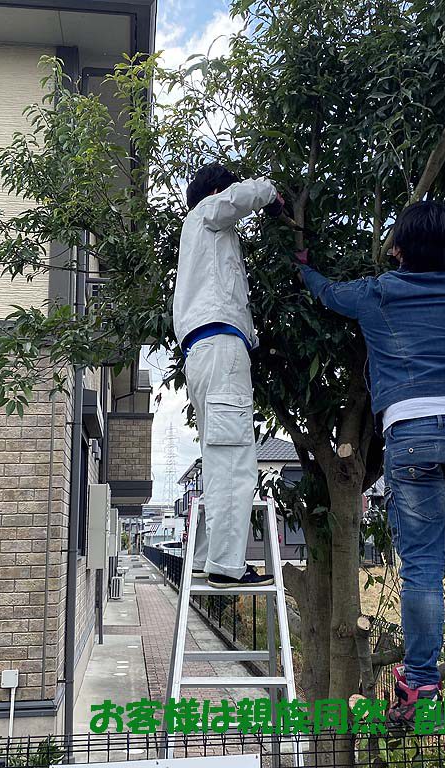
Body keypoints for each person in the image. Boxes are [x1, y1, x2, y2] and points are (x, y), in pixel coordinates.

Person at [296, 201, 445, 724]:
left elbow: (325, 293)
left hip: (413, 433)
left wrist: (302, 263)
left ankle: (419, 686)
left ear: (400, 249)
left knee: (422, 571)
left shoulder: (379, 292)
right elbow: (438, 261)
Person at [173, 163, 284, 589]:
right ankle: (225, 566)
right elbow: (240, 197)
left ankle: (206, 558)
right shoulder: (206, 214)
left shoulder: (200, 240)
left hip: (205, 352)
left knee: (218, 454)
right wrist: (270, 193)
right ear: (218, 190)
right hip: (220, 348)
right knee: (234, 459)